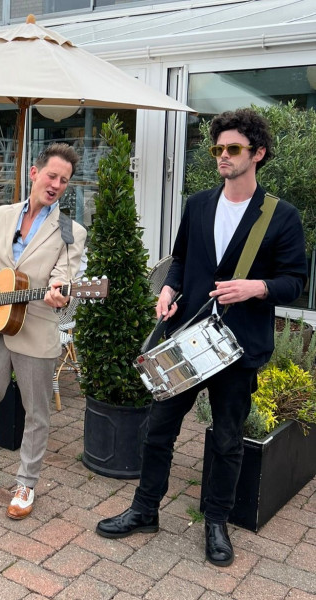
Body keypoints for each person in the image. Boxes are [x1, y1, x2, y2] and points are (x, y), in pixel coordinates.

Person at [96, 108, 308, 566]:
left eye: (233, 149)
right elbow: (181, 259)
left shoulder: (281, 216)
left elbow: (296, 280)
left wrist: (257, 287)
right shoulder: (197, 205)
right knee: (157, 431)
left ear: (258, 154)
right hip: (186, 340)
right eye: (218, 149)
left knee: (228, 439)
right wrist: (170, 289)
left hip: (239, 347)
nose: (223, 156)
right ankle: (144, 509)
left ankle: (216, 522)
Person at [0, 143, 87, 519]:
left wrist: (59, 293)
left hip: (36, 327)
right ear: (34, 173)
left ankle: (26, 482)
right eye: (52, 176)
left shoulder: (71, 231)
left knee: (36, 412)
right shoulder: (1, 215)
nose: (56, 184)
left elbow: (63, 278)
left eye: (64, 181)